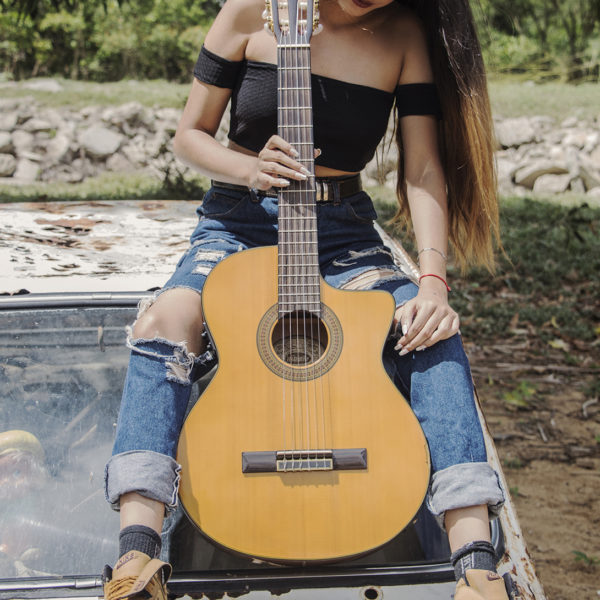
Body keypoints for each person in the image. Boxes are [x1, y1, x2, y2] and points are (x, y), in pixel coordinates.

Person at [102, 0, 509, 599]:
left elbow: (422, 168)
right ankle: (137, 557)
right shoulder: (248, 13)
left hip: (342, 233)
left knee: (430, 332)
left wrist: (431, 282)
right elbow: (189, 137)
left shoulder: (403, 36)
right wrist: (248, 169)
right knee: (168, 319)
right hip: (238, 224)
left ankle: (476, 567)